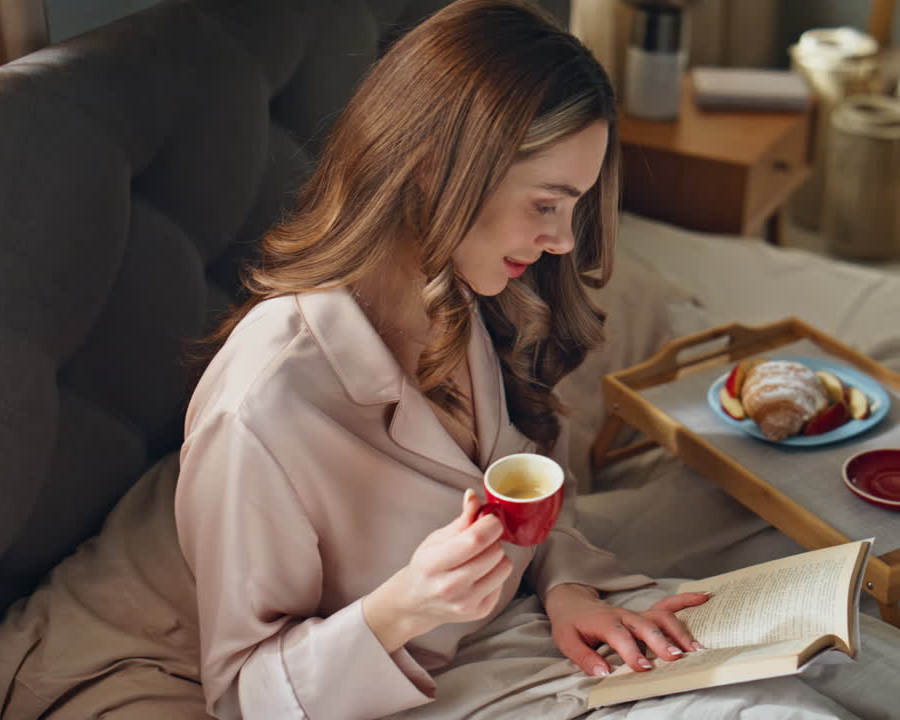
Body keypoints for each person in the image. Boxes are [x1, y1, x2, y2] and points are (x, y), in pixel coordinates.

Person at [174, 1, 711, 716]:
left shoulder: (476, 296)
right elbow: (244, 695)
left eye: (572, 209)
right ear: (433, 171)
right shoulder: (266, 406)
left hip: (526, 633)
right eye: (546, 204)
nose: (561, 242)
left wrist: (567, 586)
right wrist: (403, 607)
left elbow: (530, 485)